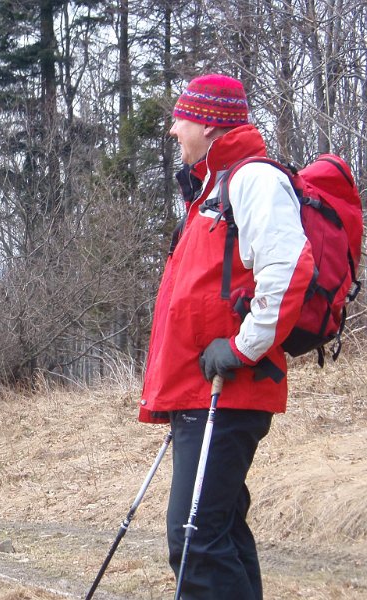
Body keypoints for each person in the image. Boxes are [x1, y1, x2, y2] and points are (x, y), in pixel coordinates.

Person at [139, 74, 315, 599]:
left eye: (181, 119)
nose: (174, 130)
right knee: (219, 532)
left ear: (210, 125)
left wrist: (242, 346)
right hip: (202, 389)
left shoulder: (253, 180)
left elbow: (289, 269)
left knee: (195, 539)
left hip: (226, 388)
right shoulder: (212, 189)